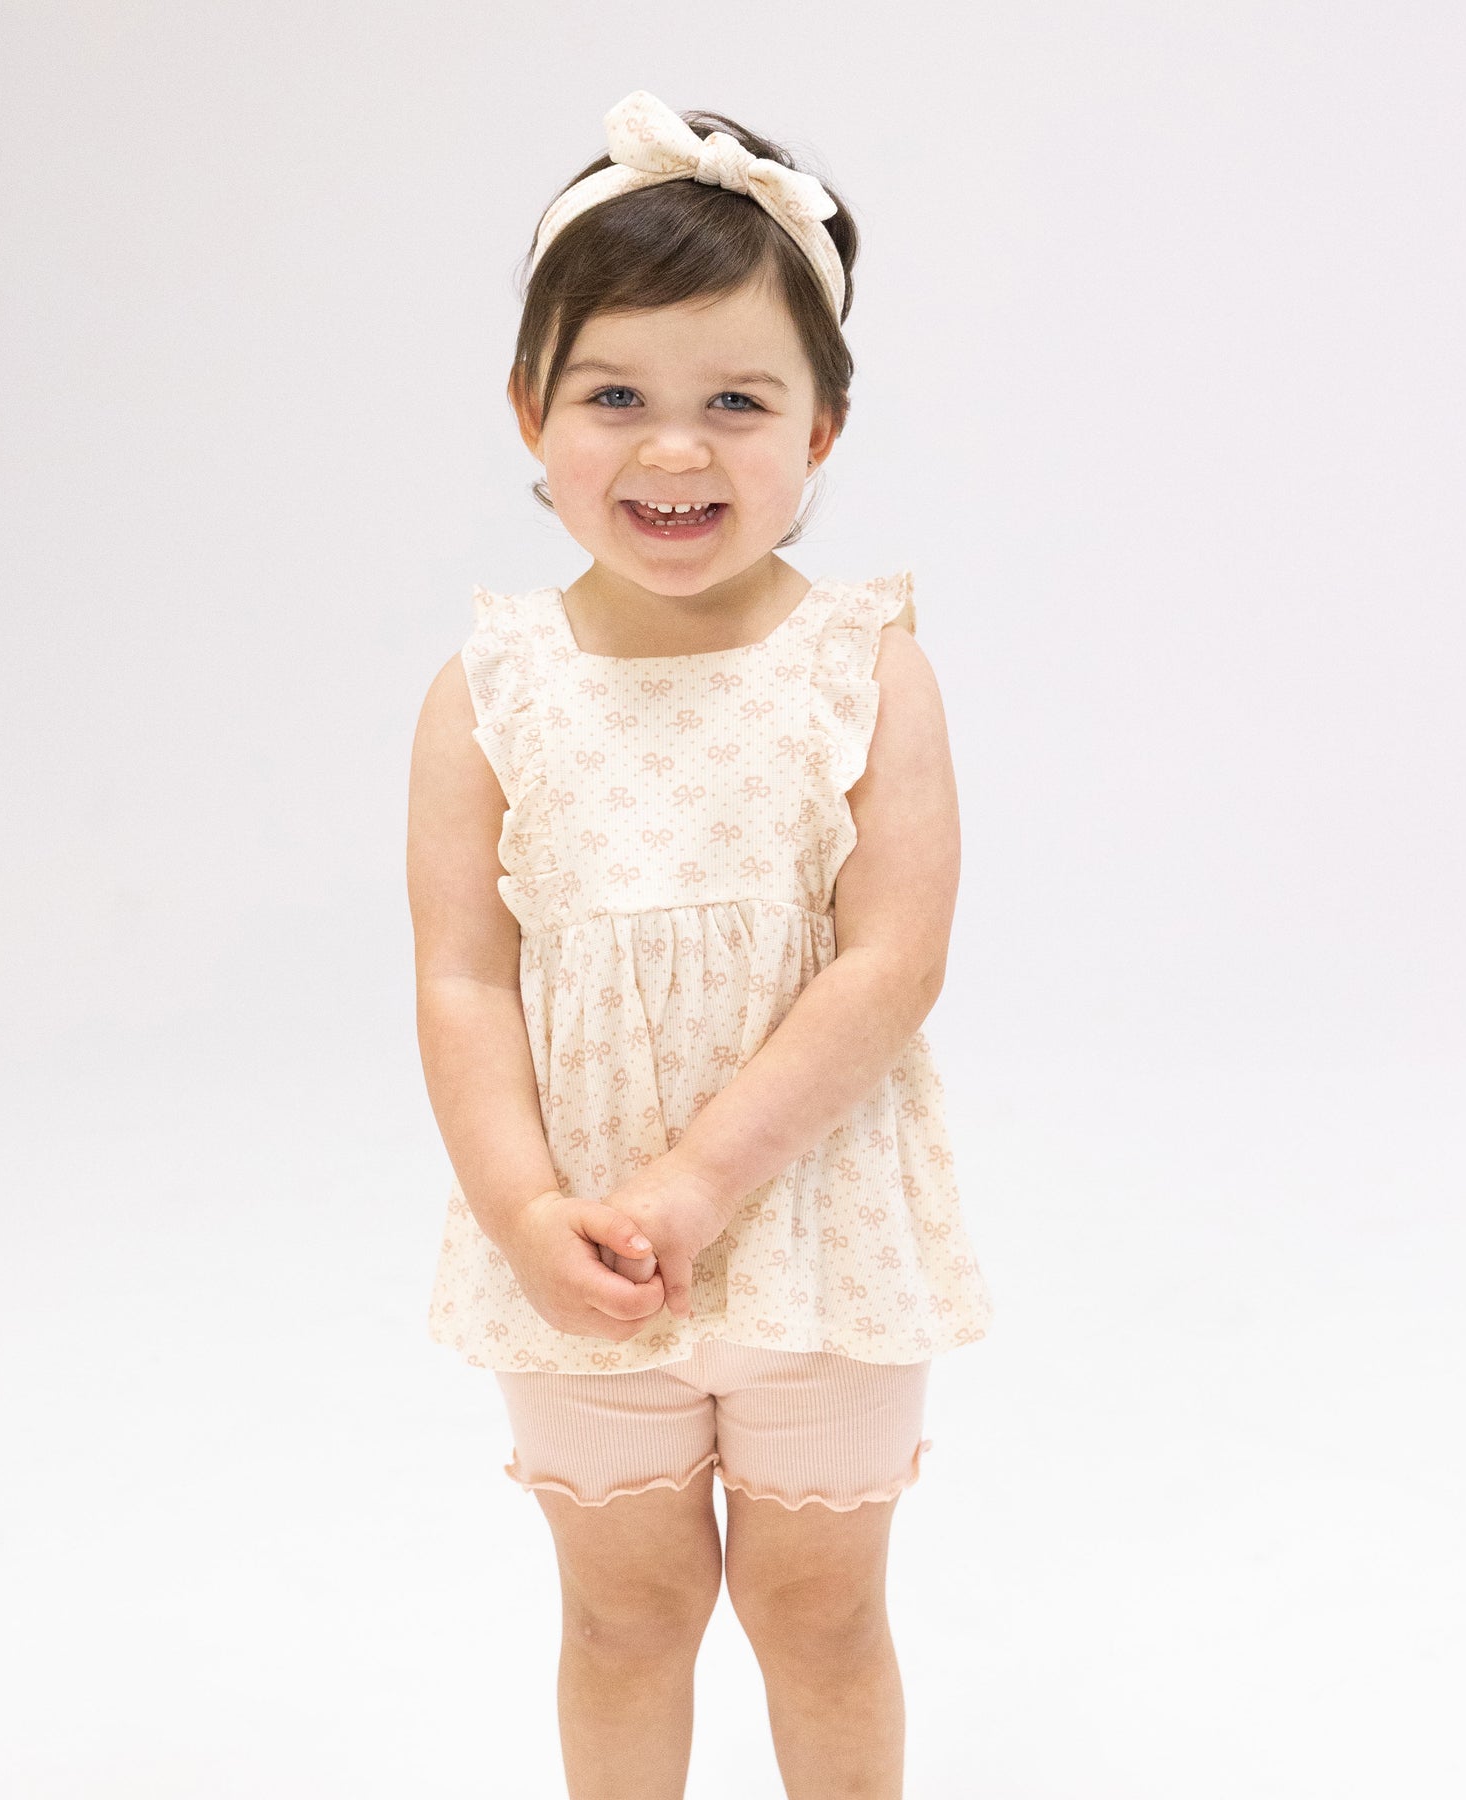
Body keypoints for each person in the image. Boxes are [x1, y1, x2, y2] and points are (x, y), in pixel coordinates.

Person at [407, 88, 995, 1800]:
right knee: (622, 1616)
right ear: (532, 411)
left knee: (820, 1615)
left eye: (737, 401)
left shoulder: (864, 668)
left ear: (822, 431)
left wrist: (699, 1183)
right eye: (618, 398)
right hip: (579, 1246)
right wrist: (529, 1213)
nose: (676, 451)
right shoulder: (490, 690)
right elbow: (463, 978)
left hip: (819, 1232)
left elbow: (892, 960)